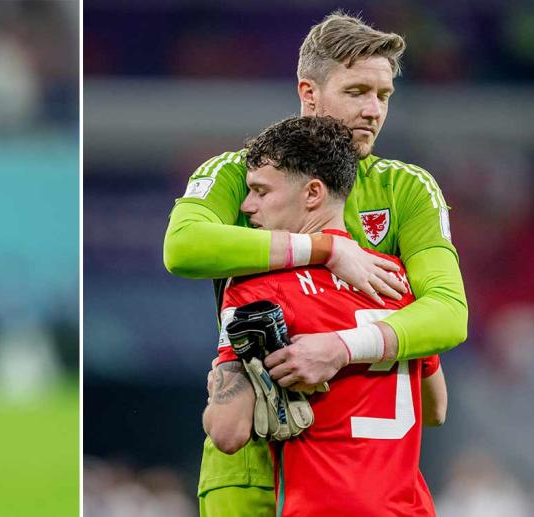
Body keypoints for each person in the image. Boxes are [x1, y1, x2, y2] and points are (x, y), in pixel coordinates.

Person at [161, 12, 467, 516]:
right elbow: (183, 247)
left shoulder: (407, 187)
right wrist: (325, 249)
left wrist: (338, 348)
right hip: (249, 465)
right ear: (309, 93)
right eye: (356, 92)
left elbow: (451, 312)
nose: (373, 110)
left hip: (362, 466)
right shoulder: (245, 172)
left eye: (383, 96)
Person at [201, 115, 447, 516]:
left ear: (312, 193)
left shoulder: (259, 288)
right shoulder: (395, 280)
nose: (248, 206)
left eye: (261, 191)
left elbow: (228, 432)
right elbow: (436, 409)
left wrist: (221, 384)